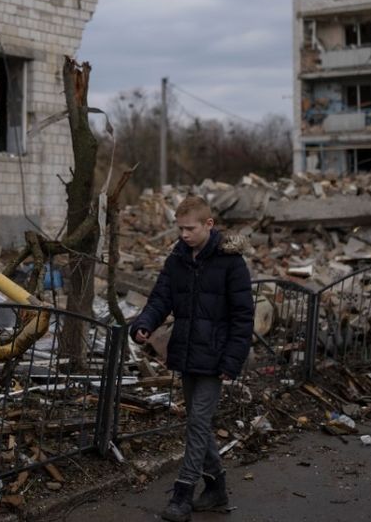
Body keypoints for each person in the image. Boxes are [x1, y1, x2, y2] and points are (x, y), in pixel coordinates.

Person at [130, 196, 254, 522]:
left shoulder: (231, 263)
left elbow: (243, 318)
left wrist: (232, 361)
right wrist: (145, 324)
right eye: (180, 228)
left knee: (199, 422)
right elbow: (161, 298)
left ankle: (183, 495)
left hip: (216, 358)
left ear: (208, 225)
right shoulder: (178, 260)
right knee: (197, 424)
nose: (183, 234)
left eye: (190, 228)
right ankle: (216, 489)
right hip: (186, 353)